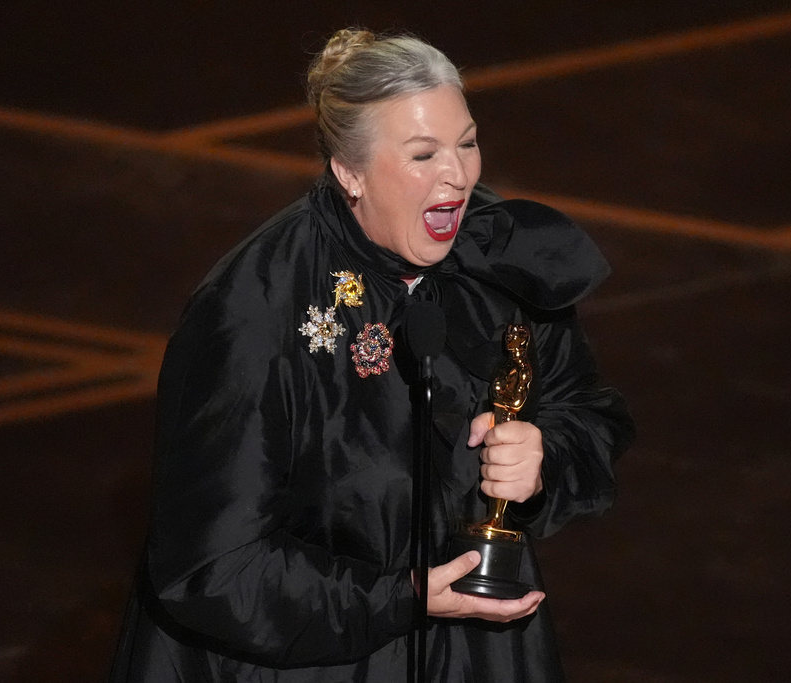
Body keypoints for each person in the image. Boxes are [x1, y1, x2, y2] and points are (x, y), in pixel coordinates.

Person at [109, 28, 634, 682]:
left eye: (467, 143)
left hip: (470, 654)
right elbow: (214, 567)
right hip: (300, 662)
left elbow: (586, 412)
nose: (458, 175)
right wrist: (403, 597)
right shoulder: (254, 308)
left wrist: (543, 453)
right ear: (348, 172)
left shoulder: (500, 259)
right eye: (423, 154)